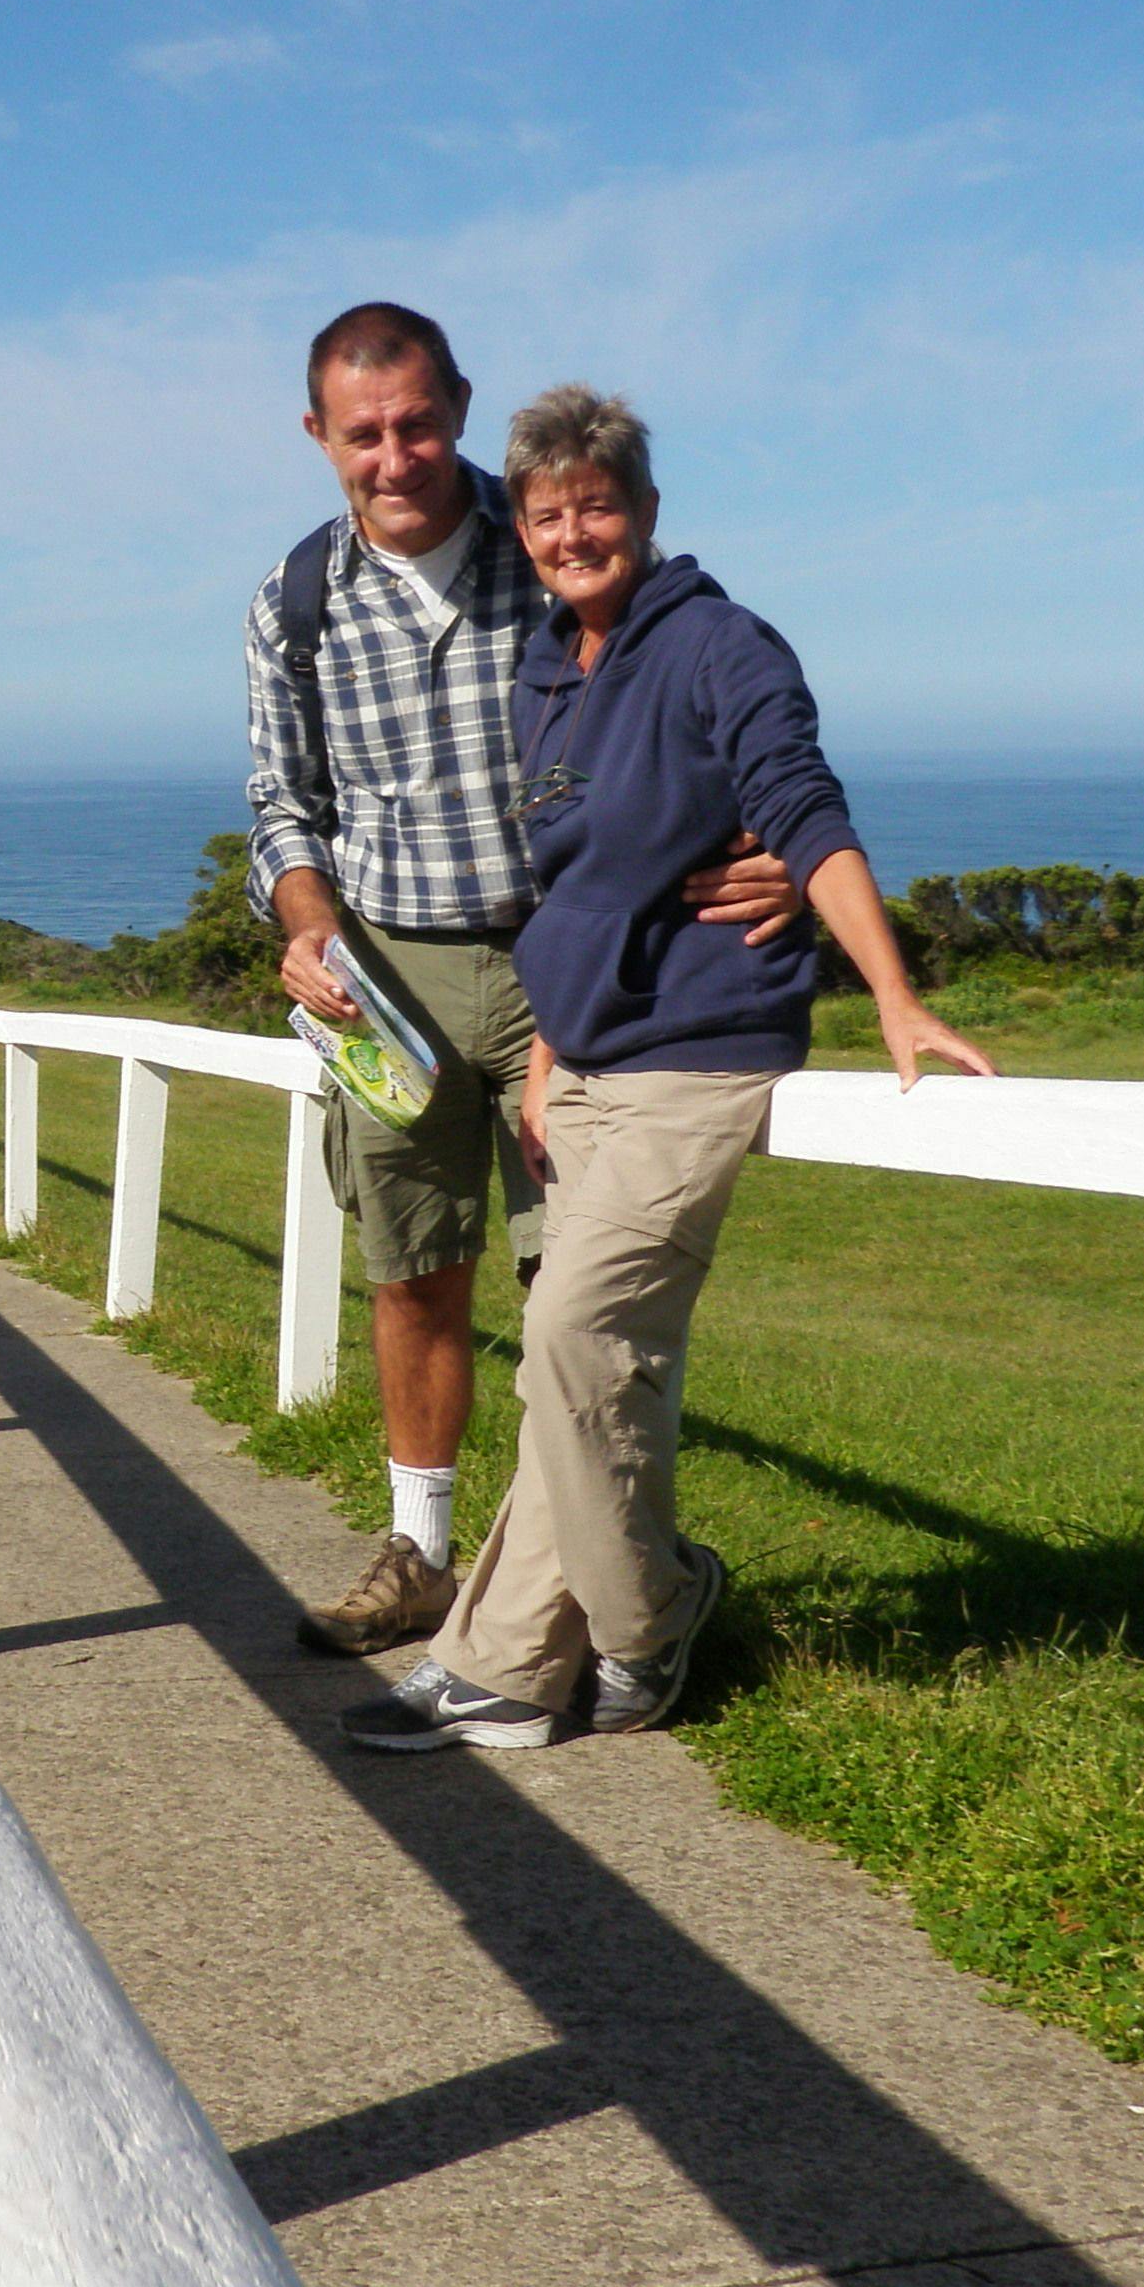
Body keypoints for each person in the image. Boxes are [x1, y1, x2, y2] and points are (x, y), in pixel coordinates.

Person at [342, 382, 994, 1752]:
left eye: (598, 504)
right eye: (547, 512)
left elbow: (804, 807)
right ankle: (510, 1663)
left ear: (644, 510)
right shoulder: (548, 675)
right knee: (567, 1375)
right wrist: (549, 1049)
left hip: (695, 1065)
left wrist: (890, 993)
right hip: (583, 1071)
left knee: (580, 1336)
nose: (574, 531)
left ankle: (660, 1615)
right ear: (522, 531)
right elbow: (576, 885)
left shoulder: (718, 647)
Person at [246, 307, 798, 1657]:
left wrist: (781, 850)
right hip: (387, 975)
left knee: (584, 1297)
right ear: (319, 438)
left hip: (580, 964)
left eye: (419, 421)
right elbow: (282, 808)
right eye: (363, 434)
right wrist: (307, 923)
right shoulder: (295, 602)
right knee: (413, 1272)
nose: (396, 456)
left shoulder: (557, 540)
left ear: (460, 406)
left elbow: (703, 702)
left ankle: (615, 1581)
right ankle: (424, 1560)